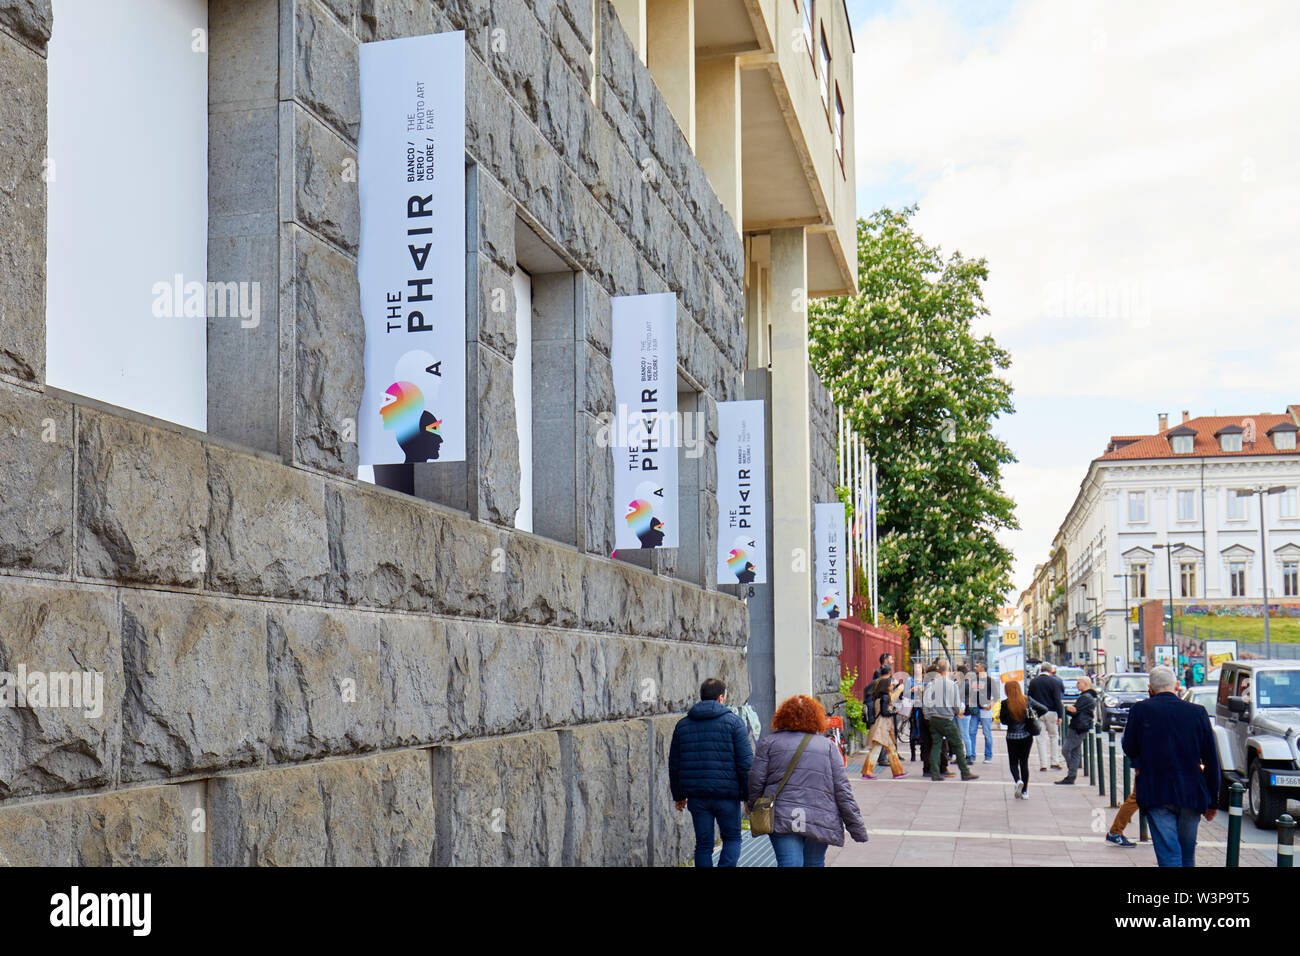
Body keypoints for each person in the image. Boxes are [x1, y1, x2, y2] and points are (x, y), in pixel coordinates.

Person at [748, 694, 869, 866]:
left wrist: (755, 805)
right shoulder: (828, 747)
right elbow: (842, 790)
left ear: (782, 717)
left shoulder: (769, 743)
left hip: (781, 814)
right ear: (816, 718)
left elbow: (755, 781)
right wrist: (856, 827)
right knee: (815, 862)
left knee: (789, 862)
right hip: (821, 816)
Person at [1121, 666, 1220, 867]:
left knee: (1168, 854)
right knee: (1186, 854)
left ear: (1150, 688)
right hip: (1191, 792)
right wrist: (1212, 802)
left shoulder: (1140, 710)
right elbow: (1211, 758)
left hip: (1155, 790)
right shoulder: (1197, 712)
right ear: (1177, 685)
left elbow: (1129, 747)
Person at [668, 677, 753, 867]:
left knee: (704, 845)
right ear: (721, 698)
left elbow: (674, 765)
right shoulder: (734, 723)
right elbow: (746, 764)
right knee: (732, 839)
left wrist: (679, 795)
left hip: (697, 797)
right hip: (727, 796)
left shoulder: (683, 726)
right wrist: (749, 797)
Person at [922, 659, 978, 782]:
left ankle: (935, 772)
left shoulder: (931, 684)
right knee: (957, 744)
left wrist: (928, 716)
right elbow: (956, 704)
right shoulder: (951, 685)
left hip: (934, 719)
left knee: (936, 745)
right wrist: (958, 712)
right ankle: (964, 771)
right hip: (947, 719)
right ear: (948, 669)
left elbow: (925, 703)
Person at [999, 680, 1047, 799]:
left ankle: (1017, 780)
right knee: (1024, 763)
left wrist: (1011, 720)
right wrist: (1033, 716)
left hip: (1012, 736)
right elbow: (1044, 709)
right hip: (1026, 736)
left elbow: (1003, 721)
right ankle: (1025, 791)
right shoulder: (1027, 700)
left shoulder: (1005, 703)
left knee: (1013, 762)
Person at [861, 665, 909, 779]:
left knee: (891, 749)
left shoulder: (879, 696)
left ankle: (898, 771)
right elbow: (884, 712)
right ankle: (867, 772)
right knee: (876, 750)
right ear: (886, 686)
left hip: (883, 726)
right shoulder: (885, 698)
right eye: (891, 685)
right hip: (882, 726)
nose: (892, 686)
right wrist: (895, 712)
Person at [1055, 675, 1097, 784]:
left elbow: (1075, 710)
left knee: (1066, 750)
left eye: (1079, 683)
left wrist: (1069, 709)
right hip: (1080, 725)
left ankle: (1072, 771)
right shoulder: (1087, 696)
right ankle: (1071, 775)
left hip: (1078, 726)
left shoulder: (1086, 697)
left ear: (1085, 684)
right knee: (1075, 751)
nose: (1077, 685)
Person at [1028, 662, 1065, 771]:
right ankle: (1054, 762)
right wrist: (1060, 715)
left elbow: (1030, 698)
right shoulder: (1054, 682)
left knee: (1040, 739)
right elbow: (1057, 700)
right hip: (1051, 712)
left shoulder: (1034, 682)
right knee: (1054, 737)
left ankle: (1043, 764)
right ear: (1050, 671)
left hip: (1038, 713)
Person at [966, 661, 998, 763]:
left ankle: (988, 755)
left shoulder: (990, 681)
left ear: (983, 669)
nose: (975, 668)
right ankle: (972, 755)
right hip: (975, 710)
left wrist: (990, 705)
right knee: (972, 732)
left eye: (977, 666)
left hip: (985, 709)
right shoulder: (973, 680)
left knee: (987, 733)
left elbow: (996, 696)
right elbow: (970, 694)